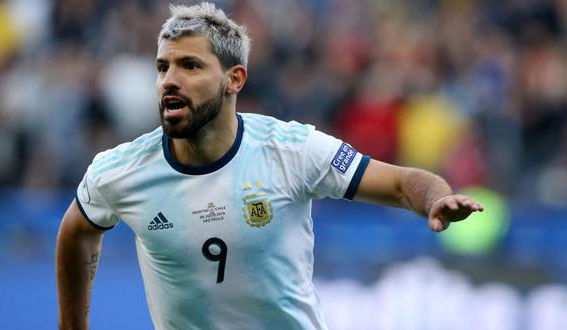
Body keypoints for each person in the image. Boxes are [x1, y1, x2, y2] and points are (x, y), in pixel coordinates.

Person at [56, 2, 484, 329]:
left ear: (234, 80)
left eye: (190, 66)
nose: (170, 79)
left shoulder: (293, 151)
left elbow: (400, 183)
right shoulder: (121, 171)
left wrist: (436, 199)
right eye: (163, 67)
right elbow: (77, 231)